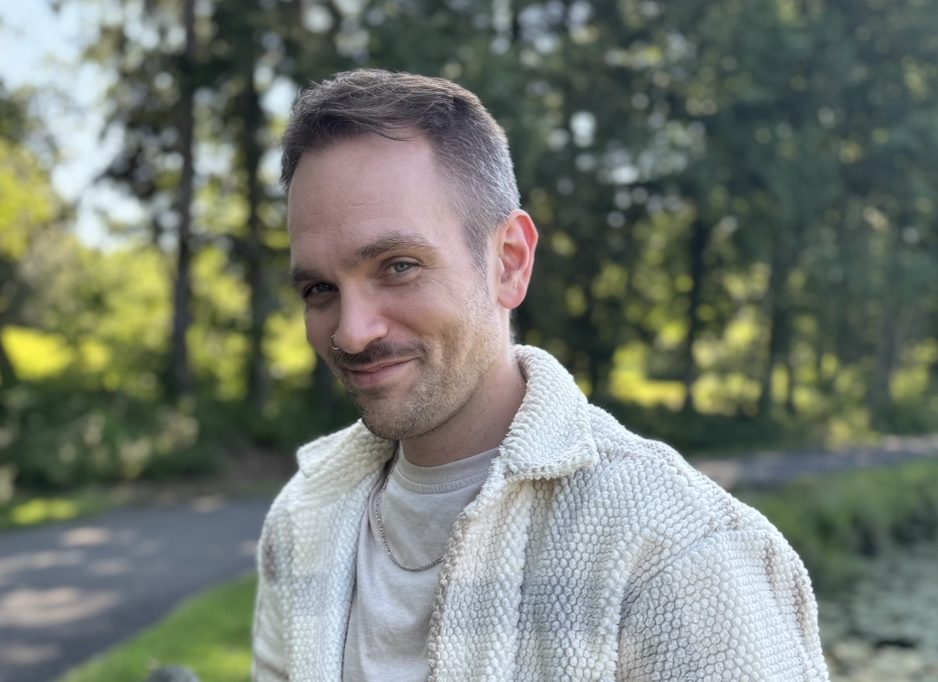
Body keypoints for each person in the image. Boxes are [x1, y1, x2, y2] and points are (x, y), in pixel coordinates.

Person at [252, 69, 829, 682]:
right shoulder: (303, 519)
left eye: (398, 266)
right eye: (319, 288)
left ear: (509, 263)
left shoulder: (676, 552)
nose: (352, 331)